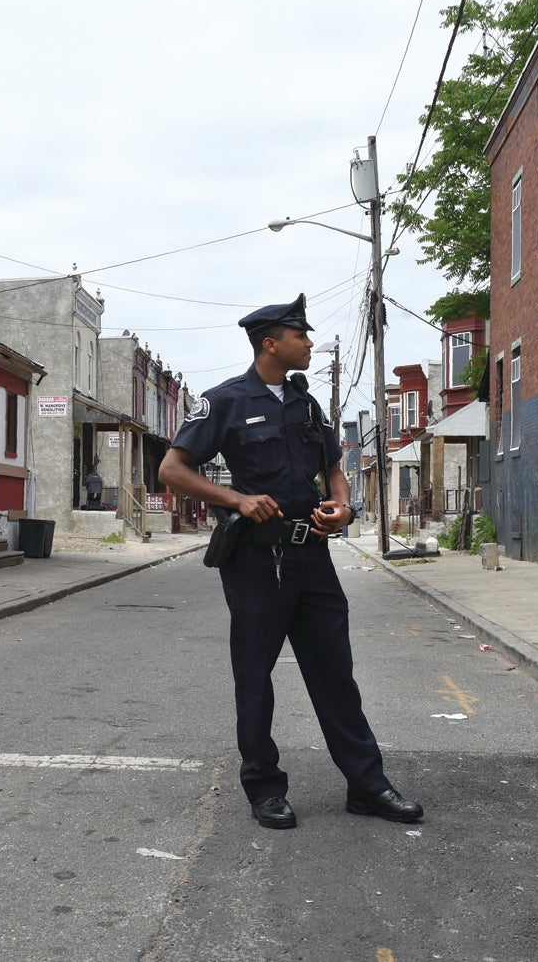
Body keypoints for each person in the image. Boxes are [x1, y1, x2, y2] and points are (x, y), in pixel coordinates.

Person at [158, 293, 422, 830]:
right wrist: (236, 500)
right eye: (300, 335)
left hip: (313, 557)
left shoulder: (306, 404)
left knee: (336, 675)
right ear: (270, 343)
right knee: (255, 677)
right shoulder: (224, 401)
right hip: (257, 561)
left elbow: (334, 468)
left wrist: (343, 507)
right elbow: (173, 469)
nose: (308, 343)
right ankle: (264, 787)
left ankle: (367, 785)